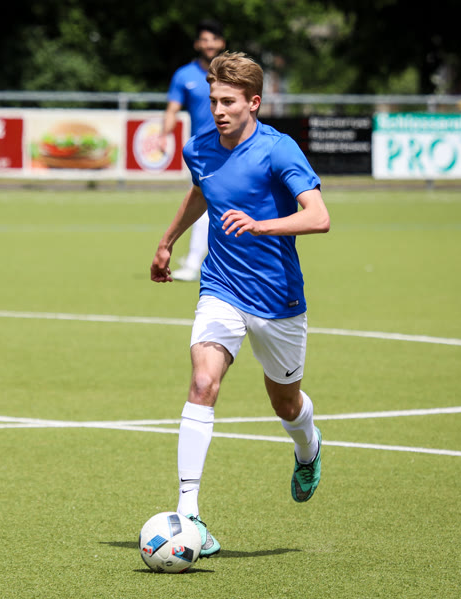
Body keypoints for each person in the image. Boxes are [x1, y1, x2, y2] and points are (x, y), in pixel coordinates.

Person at [149, 51, 330, 557]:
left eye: (228, 102)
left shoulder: (278, 149)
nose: (218, 110)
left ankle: (308, 446)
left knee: (285, 403)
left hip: (278, 298)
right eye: (213, 101)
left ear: (253, 102)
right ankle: (188, 514)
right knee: (202, 383)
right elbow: (202, 191)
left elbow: (318, 217)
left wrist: (260, 225)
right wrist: (167, 241)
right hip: (221, 288)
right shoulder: (200, 147)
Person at [159, 19, 226, 282]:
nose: (209, 44)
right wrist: (164, 135)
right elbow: (172, 110)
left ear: (222, 43)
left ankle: (195, 260)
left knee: (211, 203)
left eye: (214, 39)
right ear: (198, 44)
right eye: (204, 40)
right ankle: (196, 259)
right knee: (203, 201)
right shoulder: (184, 75)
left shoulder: (230, 72)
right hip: (203, 151)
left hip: (232, 147)